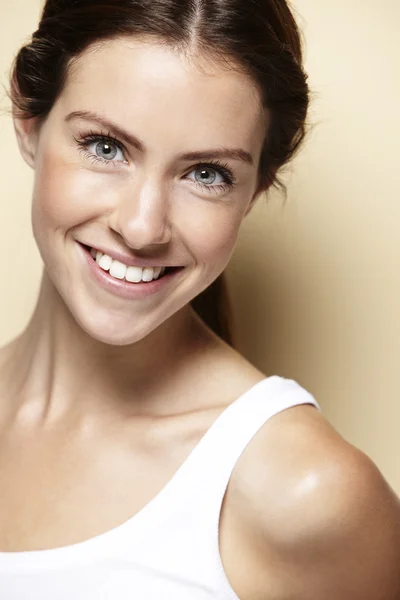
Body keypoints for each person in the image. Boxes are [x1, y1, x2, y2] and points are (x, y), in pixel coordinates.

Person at [0, 1, 399, 598]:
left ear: (254, 190)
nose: (142, 227)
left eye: (207, 174)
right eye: (106, 147)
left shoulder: (307, 494)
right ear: (29, 121)